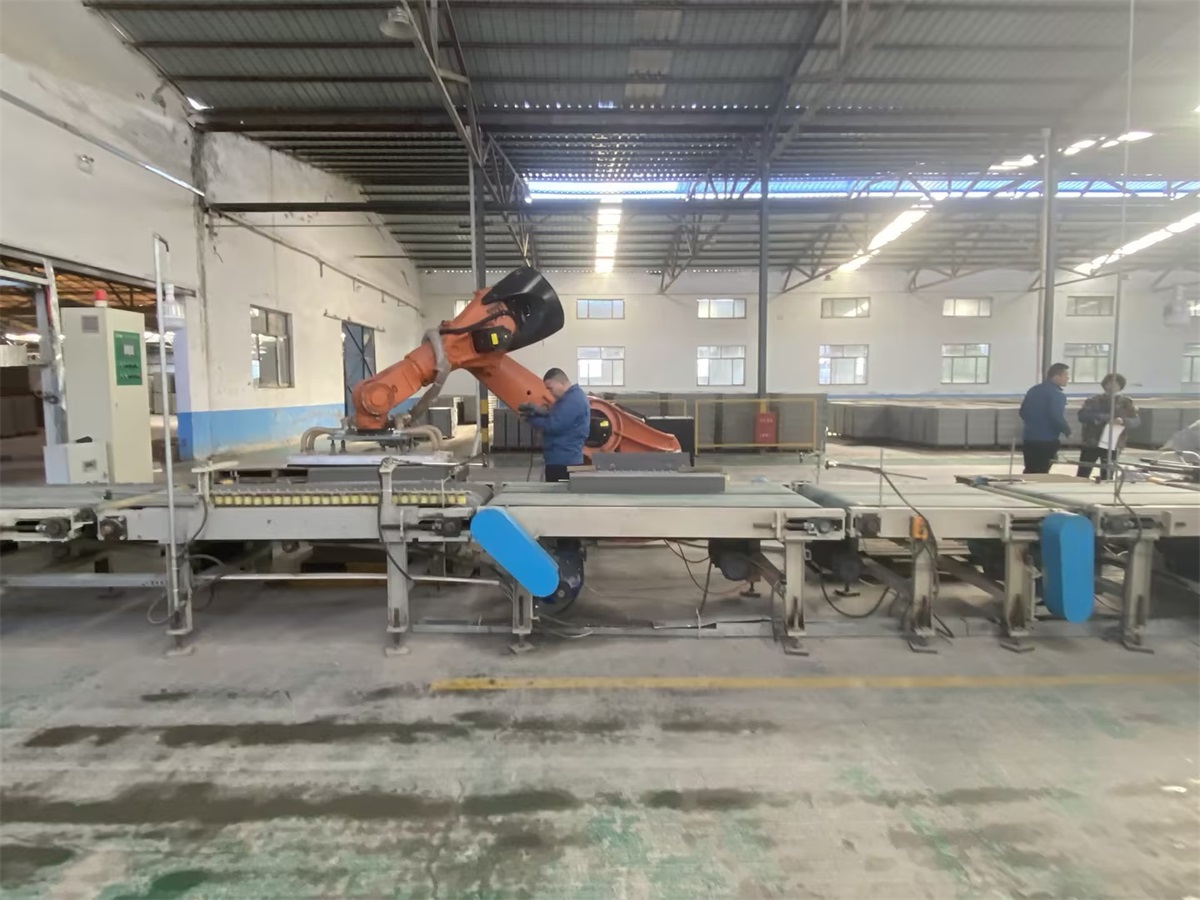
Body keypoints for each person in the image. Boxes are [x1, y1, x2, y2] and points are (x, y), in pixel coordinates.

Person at [519, 368, 590, 482]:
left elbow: (554, 426)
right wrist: (538, 410)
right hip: (562, 458)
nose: (549, 392)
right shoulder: (568, 398)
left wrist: (531, 419)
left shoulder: (573, 400)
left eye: (550, 388)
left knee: (558, 492)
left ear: (561, 383)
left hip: (564, 461)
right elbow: (557, 416)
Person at [1076, 373, 1140, 481]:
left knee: (1107, 475)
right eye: (1109, 383)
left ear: (1120, 386)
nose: (1112, 386)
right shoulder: (1093, 400)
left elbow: (1135, 421)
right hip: (1092, 442)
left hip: (1113, 443)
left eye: (1116, 383)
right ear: (1104, 385)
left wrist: (1122, 421)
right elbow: (1082, 416)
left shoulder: (1126, 402)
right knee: (1083, 473)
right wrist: (1102, 418)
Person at [1019, 363, 1072, 474]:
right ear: (1056, 377)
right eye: (1066, 375)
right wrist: (1067, 430)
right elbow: (1056, 416)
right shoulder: (1057, 394)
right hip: (1047, 440)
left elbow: (1022, 412)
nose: (1068, 378)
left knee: (1030, 470)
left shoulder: (1034, 390)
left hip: (1029, 438)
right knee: (1042, 472)